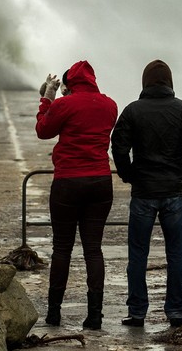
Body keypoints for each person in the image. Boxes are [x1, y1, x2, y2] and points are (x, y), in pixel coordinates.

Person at [110, 59, 182, 328]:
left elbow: (118, 146)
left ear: (145, 82)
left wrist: (128, 174)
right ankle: (175, 311)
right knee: (176, 254)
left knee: (138, 254)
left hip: (143, 192)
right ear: (170, 82)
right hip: (173, 192)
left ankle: (137, 312)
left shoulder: (132, 111)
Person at [36, 60, 118, 329]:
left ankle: (54, 313)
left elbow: (43, 130)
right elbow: (91, 121)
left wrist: (48, 99)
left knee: (62, 248)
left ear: (69, 84)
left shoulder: (64, 104)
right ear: (93, 80)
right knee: (93, 249)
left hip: (68, 183)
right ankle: (95, 315)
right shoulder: (110, 105)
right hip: (100, 182)